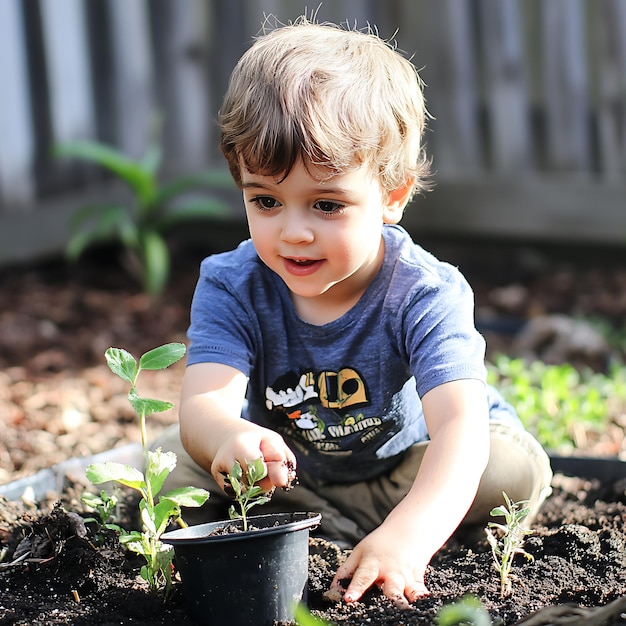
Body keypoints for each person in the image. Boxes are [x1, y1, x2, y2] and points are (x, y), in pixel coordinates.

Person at [152, 17, 553, 608]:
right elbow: (205, 404)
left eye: (326, 204)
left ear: (392, 196)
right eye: (265, 200)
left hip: (405, 468)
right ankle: (333, 526)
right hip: (290, 477)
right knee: (166, 467)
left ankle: (398, 532)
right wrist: (230, 437)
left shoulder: (423, 291)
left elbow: (458, 430)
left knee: (508, 470)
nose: (293, 233)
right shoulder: (233, 282)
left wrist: (409, 539)